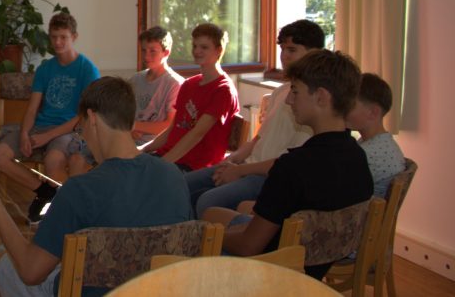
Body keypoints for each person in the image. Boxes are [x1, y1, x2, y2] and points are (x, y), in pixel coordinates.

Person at [0, 77, 192, 297]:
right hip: (157, 290)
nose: (83, 137)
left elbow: (30, 271)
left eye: (80, 128)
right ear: (131, 123)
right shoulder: (174, 176)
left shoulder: (80, 189)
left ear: (91, 118)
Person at [206, 50, 373, 279]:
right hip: (313, 270)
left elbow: (248, 246)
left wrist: (207, 238)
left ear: (321, 97)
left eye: (295, 91)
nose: (288, 100)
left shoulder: (293, 167)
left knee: (204, 233)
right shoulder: (358, 156)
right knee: (213, 212)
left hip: (275, 272)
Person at [185, 19, 323, 217]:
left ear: (314, 53)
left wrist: (241, 171)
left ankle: (206, 235)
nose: (284, 56)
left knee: (207, 201)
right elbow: (258, 139)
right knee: (181, 184)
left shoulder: (311, 103)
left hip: (268, 176)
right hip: (246, 166)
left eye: (292, 50)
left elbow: (289, 163)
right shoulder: (280, 92)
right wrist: (230, 160)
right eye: (282, 49)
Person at [0, 12, 99, 224]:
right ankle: (44, 191)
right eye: (54, 37)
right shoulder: (45, 69)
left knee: (53, 161)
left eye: (63, 37)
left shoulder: (87, 69)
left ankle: (73, 209)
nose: (58, 42)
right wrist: (24, 134)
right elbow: (32, 108)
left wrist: (47, 137)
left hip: (68, 130)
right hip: (40, 126)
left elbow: (82, 117)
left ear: (74, 37)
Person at [141, 23, 239, 172]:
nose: (197, 51)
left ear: (219, 50)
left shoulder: (223, 90)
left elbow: (197, 134)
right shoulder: (189, 84)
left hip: (194, 165)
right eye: (195, 46)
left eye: (204, 47)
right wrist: (143, 149)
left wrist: (162, 165)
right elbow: (173, 128)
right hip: (169, 157)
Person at [347, 72, 406, 197]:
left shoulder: (369, 155)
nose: (342, 109)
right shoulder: (382, 143)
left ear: (373, 113)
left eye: (349, 105)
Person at [129, 26, 184, 145]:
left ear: (166, 52)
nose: (146, 56)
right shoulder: (135, 79)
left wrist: (133, 126)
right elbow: (123, 112)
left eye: (152, 51)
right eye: (143, 50)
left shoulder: (175, 84)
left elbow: (170, 124)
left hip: (154, 146)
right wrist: (127, 130)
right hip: (130, 142)